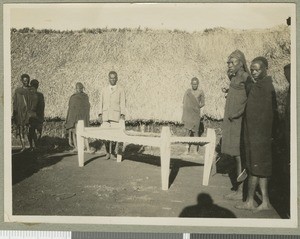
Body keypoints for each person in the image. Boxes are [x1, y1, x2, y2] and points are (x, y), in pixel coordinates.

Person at [236, 57, 278, 211]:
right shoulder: (259, 85)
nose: (253, 72)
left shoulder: (266, 88)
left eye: (257, 69)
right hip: (256, 134)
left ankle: (250, 201)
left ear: (265, 69)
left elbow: (268, 115)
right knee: (259, 166)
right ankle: (263, 202)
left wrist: (262, 135)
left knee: (256, 166)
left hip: (260, 135)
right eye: (252, 69)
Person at [221, 50, 252, 200]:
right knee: (234, 155)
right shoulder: (234, 77)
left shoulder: (246, 78)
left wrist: (238, 113)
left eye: (232, 62)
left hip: (238, 121)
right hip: (232, 121)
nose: (229, 65)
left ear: (241, 63)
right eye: (228, 62)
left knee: (239, 156)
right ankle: (237, 188)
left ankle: (240, 192)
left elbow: (250, 99)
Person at [99, 71, 126, 160]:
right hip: (106, 115)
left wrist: (122, 114)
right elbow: (101, 102)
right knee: (105, 135)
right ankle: (107, 152)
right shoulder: (104, 89)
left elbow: (122, 102)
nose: (112, 79)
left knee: (115, 135)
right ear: (108, 78)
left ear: (117, 78)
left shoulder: (121, 89)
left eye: (114, 77)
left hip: (115, 115)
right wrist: (100, 114)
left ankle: (114, 152)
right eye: (111, 77)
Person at [65, 82, 91, 153]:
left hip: (81, 118)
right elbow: (71, 108)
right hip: (76, 118)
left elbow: (87, 107)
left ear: (82, 88)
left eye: (80, 88)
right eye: (78, 88)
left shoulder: (85, 97)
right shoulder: (74, 97)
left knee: (83, 132)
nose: (79, 89)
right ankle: (77, 147)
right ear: (76, 89)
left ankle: (86, 147)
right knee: (75, 132)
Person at [182, 77, 205, 154]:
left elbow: (203, 103)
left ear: (198, 84)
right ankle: (186, 149)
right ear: (191, 84)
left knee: (196, 132)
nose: (194, 85)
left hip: (196, 114)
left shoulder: (200, 92)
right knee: (187, 131)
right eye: (193, 84)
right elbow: (184, 102)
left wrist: (197, 106)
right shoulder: (188, 92)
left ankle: (195, 150)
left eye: (196, 84)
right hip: (189, 114)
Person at [12, 74, 31, 152]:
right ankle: (23, 146)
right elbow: (15, 102)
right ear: (21, 81)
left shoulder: (31, 90)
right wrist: (15, 113)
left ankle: (31, 145)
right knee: (21, 129)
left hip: (28, 113)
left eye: (27, 80)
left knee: (29, 129)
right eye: (24, 80)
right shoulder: (18, 91)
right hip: (20, 113)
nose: (26, 82)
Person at [26, 79, 45, 151]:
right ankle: (36, 145)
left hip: (31, 115)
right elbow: (42, 106)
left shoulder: (28, 94)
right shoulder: (40, 95)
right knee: (38, 131)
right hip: (37, 115)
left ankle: (32, 146)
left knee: (31, 131)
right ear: (37, 86)